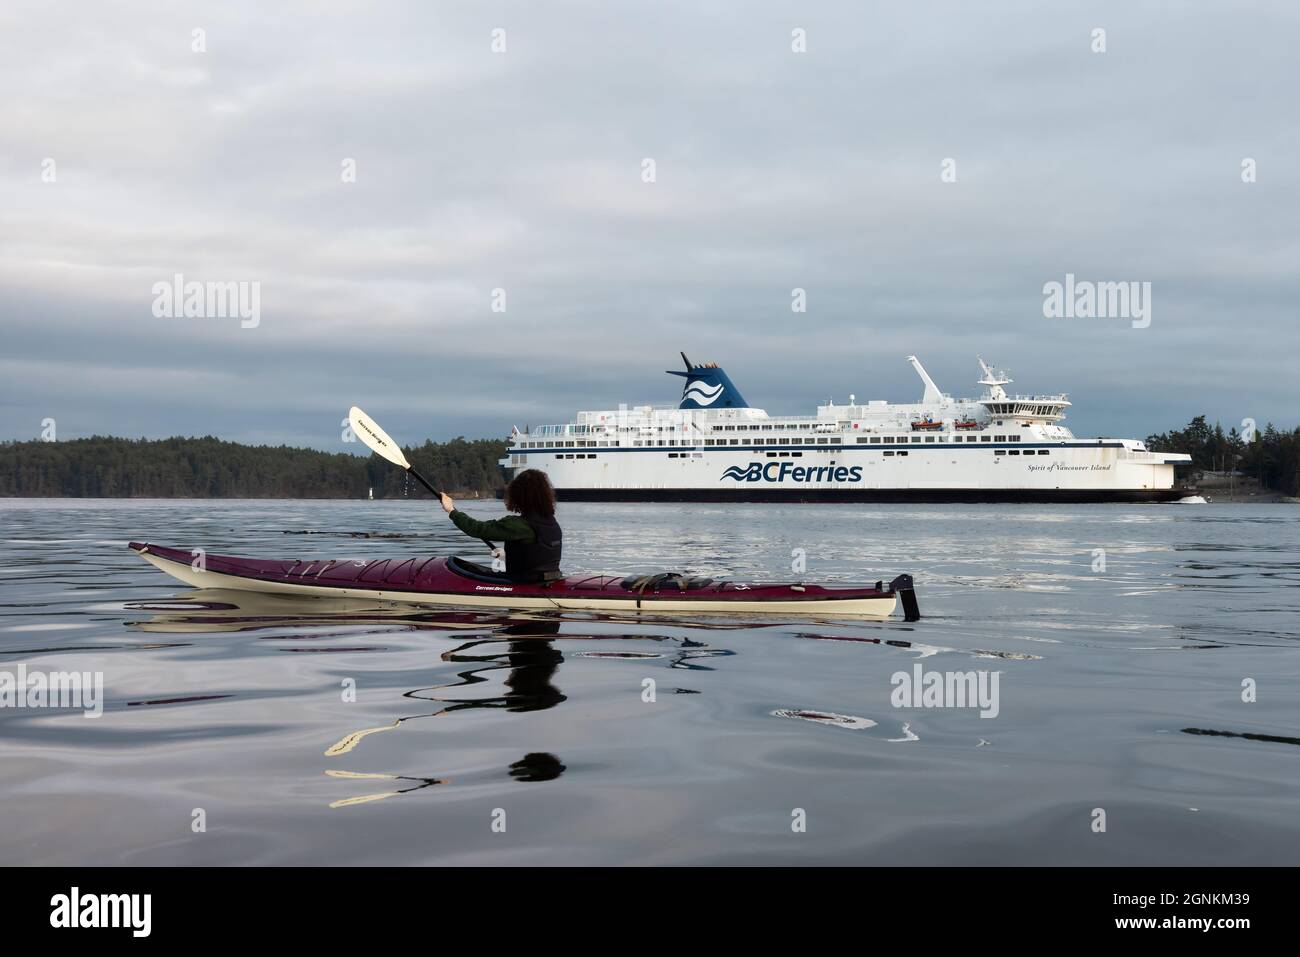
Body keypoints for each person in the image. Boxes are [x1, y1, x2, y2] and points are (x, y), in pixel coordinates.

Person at [439, 469, 563, 583]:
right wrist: (506, 554)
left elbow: (476, 529)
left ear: (519, 496)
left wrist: (451, 510)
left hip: (526, 582)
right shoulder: (551, 523)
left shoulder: (518, 525)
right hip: (549, 580)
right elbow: (537, 553)